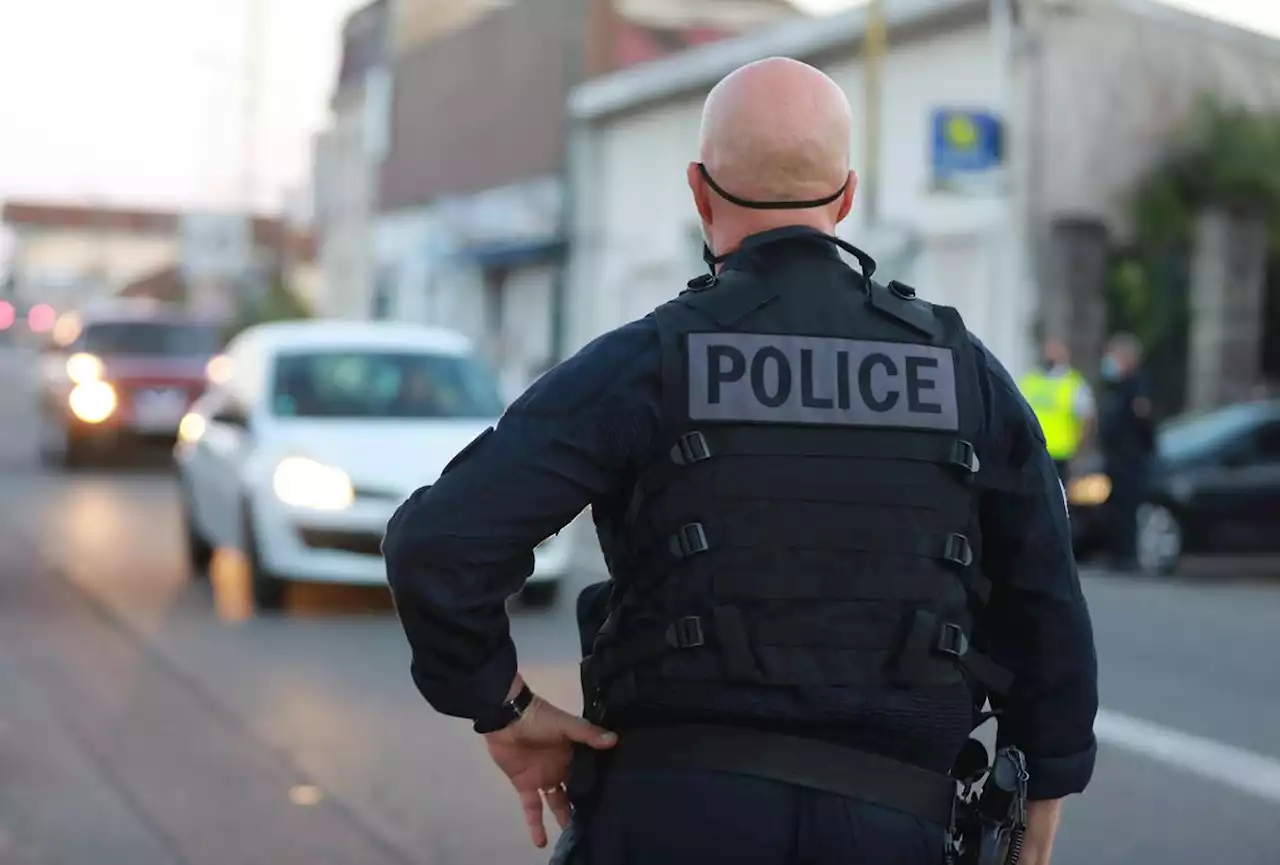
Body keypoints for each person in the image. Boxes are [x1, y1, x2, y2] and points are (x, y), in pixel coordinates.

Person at [382, 57, 1098, 865]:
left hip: (668, 822)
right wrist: (1046, 783)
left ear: (699, 191)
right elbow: (1046, 598)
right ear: (847, 197)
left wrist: (503, 706)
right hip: (895, 828)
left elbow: (436, 547)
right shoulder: (964, 372)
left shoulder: (648, 361)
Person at [1096, 332, 1156, 571]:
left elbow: (1143, 422)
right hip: (1116, 459)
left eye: (1115, 356)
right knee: (1114, 509)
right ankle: (1115, 553)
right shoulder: (1116, 387)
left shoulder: (1137, 387)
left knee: (1127, 510)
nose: (1110, 361)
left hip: (1130, 460)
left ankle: (1126, 557)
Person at [1018, 336, 1095, 481]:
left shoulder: (1074, 384)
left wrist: (1081, 453)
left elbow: (1087, 420)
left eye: (1055, 350)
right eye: (1048, 350)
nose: (1049, 354)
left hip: (1061, 455)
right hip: (1032, 452)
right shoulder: (1031, 380)